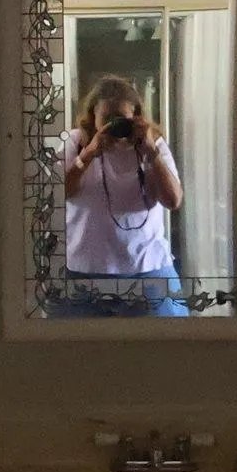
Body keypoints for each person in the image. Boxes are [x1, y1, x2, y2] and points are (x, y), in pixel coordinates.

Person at [53, 74, 186, 316]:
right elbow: (56, 194)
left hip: (148, 270)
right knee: (71, 351)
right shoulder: (76, 143)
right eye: (107, 119)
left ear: (136, 118)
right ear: (93, 117)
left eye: (121, 119)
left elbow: (173, 201)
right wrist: (89, 154)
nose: (114, 126)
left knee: (173, 347)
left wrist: (151, 154)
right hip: (85, 273)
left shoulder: (153, 145)